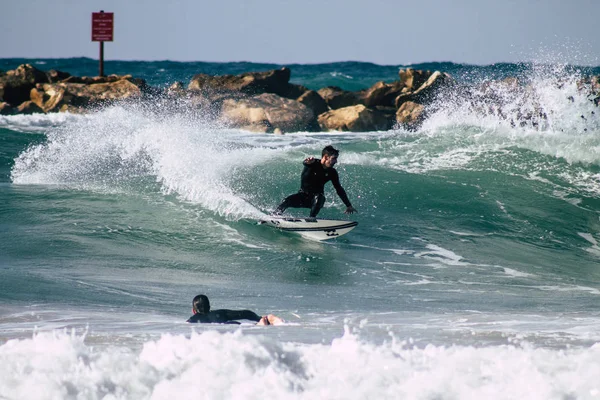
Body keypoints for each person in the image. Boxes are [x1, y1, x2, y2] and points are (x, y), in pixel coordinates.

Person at [274, 145, 357, 218]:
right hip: (303, 196)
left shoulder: (332, 172)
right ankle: (274, 216)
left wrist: (348, 205)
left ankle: (311, 219)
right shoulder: (313, 163)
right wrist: (307, 162)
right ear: (326, 157)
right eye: (334, 158)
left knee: (319, 197)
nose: (336, 161)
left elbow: (339, 189)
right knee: (286, 200)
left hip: (317, 200)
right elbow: (306, 163)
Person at [186, 294, 283, 325]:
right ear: (209, 307)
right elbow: (244, 313)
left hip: (226, 332)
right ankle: (265, 319)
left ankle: (261, 324)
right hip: (232, 325)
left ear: (194, 311)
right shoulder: (220, 313)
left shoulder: (190, 321)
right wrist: (257, 317)